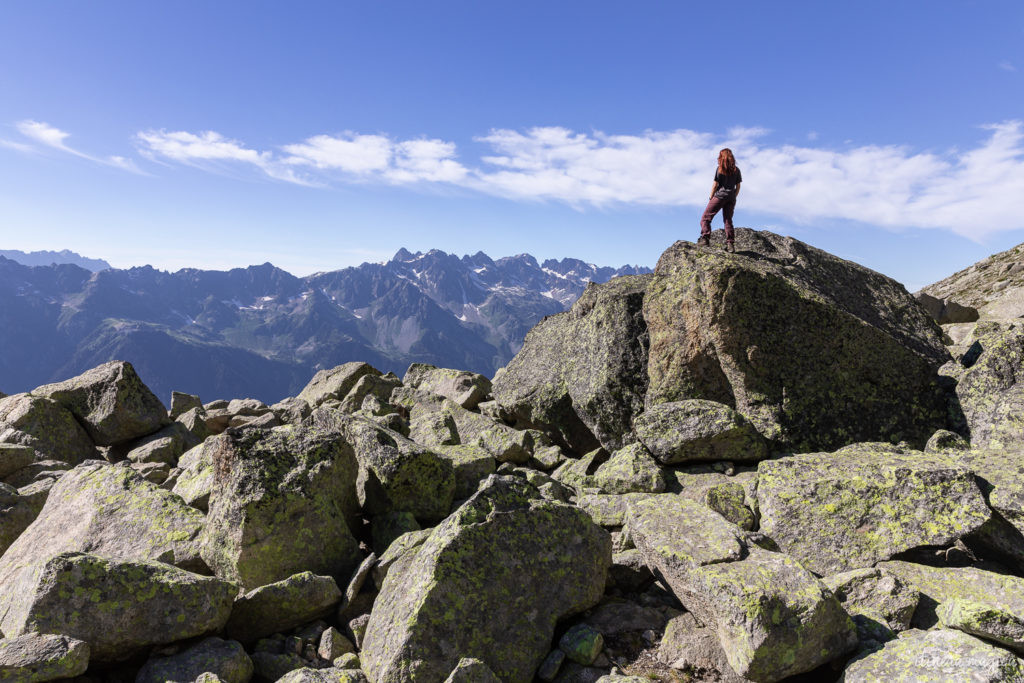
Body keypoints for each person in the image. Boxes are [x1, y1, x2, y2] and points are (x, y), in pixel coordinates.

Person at [698, 148, 742, 252]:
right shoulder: (737, 170)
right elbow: (738, 186)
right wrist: (733, 196)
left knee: (706, 217)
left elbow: (715, 185)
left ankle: (705, 238)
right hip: (731, 197)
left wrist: (711, 198)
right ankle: (730, 244)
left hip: (719, 196)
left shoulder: (719, 169)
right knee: (728, 220)